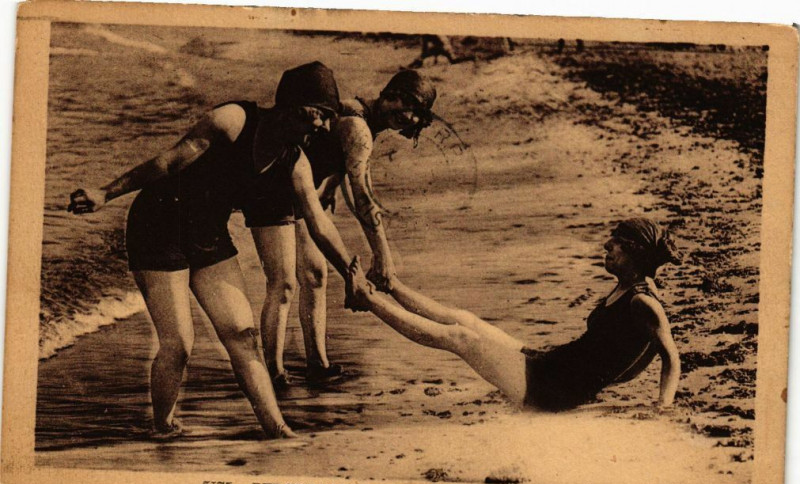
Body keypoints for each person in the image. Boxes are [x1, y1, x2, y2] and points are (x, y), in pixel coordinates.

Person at [67, 62, 360, 439]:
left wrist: (352, 274)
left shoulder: (294, 162)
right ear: (293, 106)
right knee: (178, 345)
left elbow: (319, 223)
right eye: (319, 115)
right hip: (159, 224)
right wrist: (105, 193)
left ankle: (277, 429)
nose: (322, 126)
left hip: (207, 231)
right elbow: (168, 162)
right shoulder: (232, 121)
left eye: (328, 118)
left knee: (243, 334)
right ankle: (163, 427)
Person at [346, 218, 682, 411]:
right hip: (549, 366)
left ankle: (369, 300)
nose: (607, 245)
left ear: (635, 252)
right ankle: (391, 286)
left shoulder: (643, 302)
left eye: (616, 242)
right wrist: (612, 380)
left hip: (550, 390)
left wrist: (662, 407)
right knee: (466, 320)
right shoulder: (628, 286)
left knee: (460, 338)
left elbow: (670, 356)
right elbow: (634, 356)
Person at [243, 69, 437, 387]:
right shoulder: (360, 129)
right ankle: (274, 372)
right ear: (391, 95)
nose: (411, 119)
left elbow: (337, 161)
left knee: (314, 275)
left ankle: (316, 364)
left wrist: (330, 188)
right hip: (277, 188)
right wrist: (383, 257)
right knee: (284, 283)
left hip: (297, 191)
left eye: (419, 114)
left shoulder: (356, 112)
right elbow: (363, 198)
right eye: (409, 107)